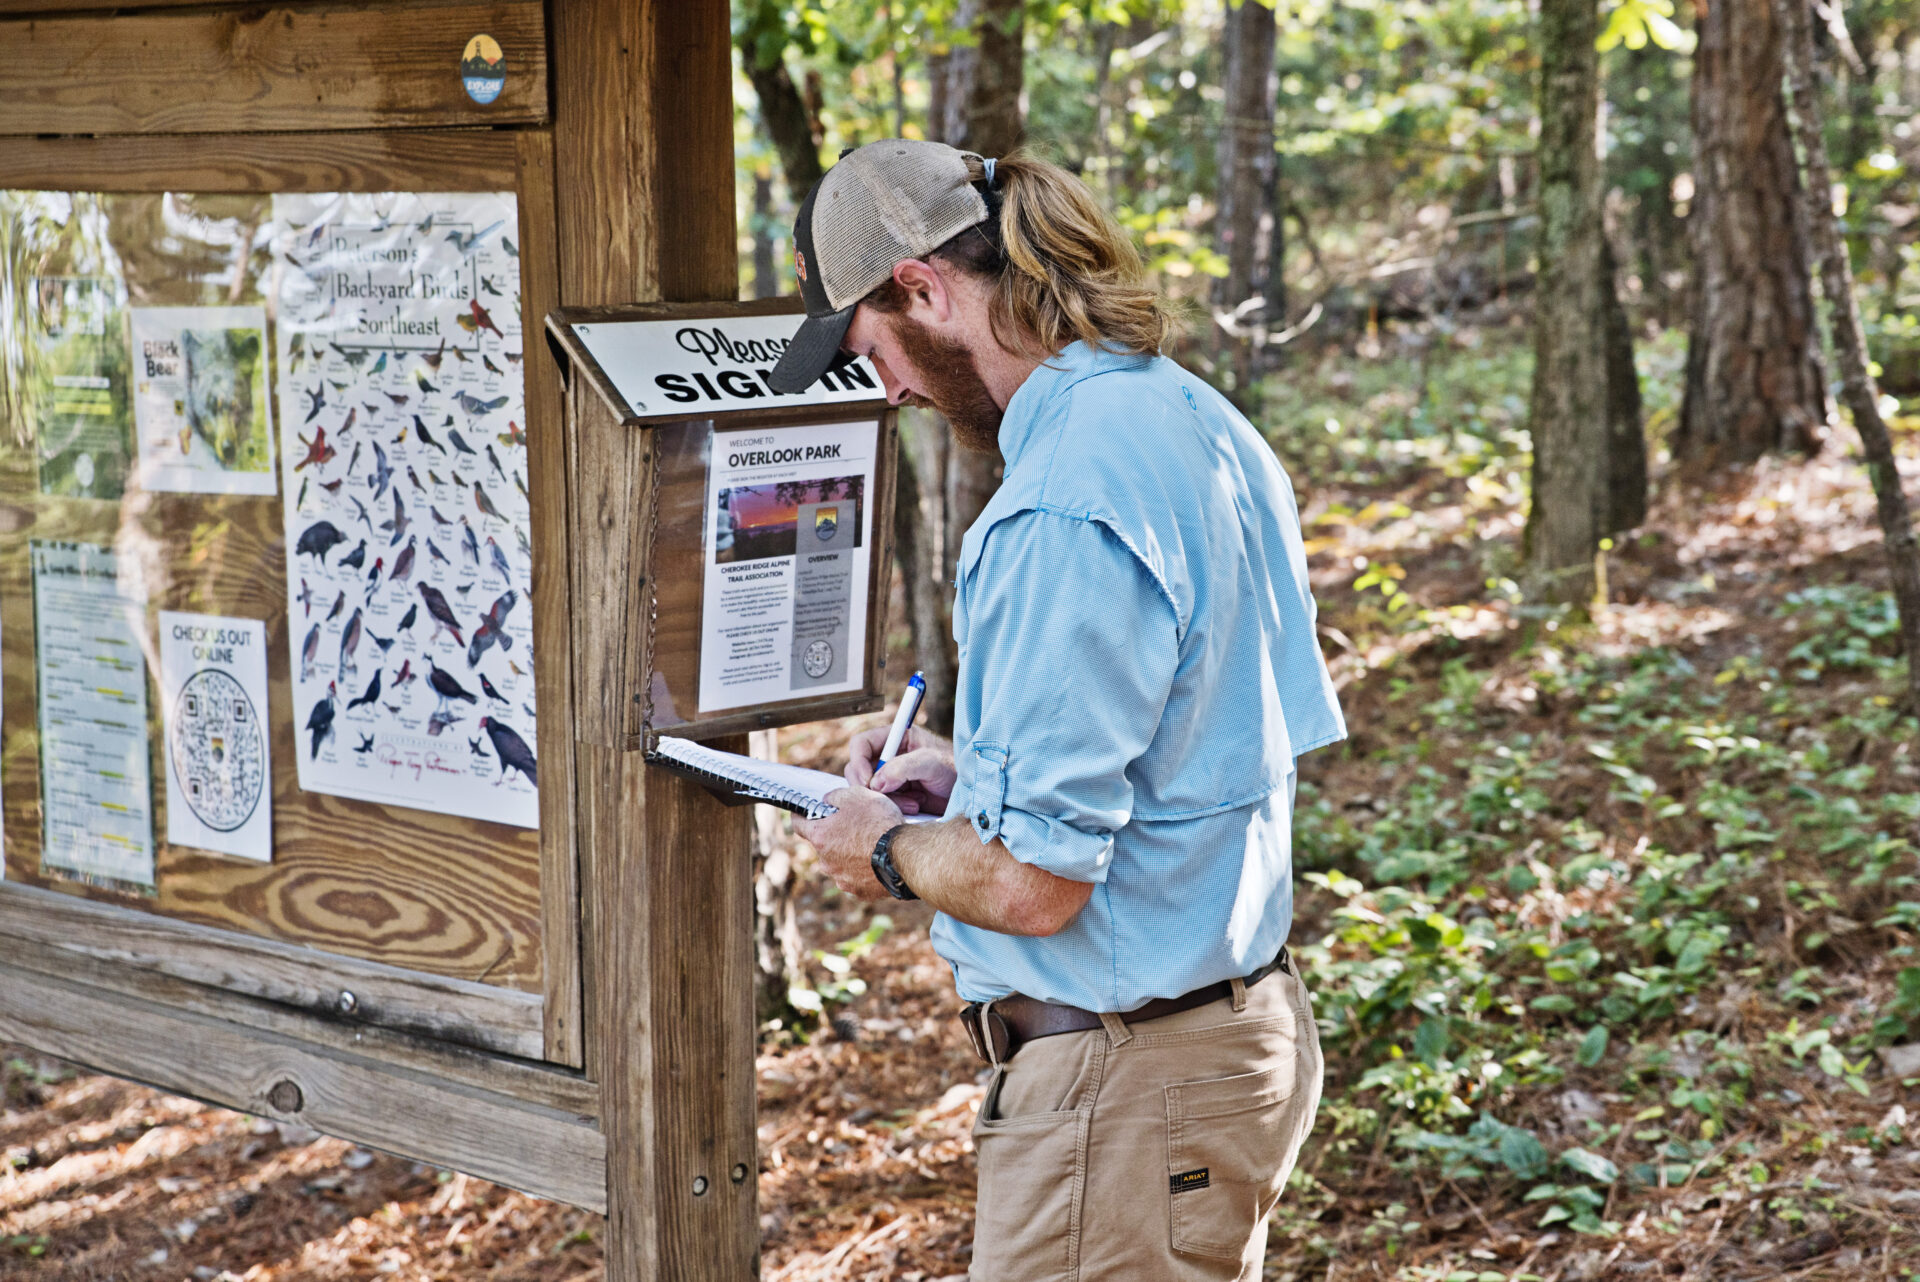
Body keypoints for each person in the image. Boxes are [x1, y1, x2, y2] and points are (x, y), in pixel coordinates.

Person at [772, 139, 1347, 1282]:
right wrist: (970, 775)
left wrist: (879, 843)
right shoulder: (1189, 417)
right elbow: (1186, 735)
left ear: (922, 289)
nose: (883, 387)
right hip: (1223, 1048)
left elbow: (1034, 883)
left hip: (1126, 1101)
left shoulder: (1060, 505)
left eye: (870, 347)